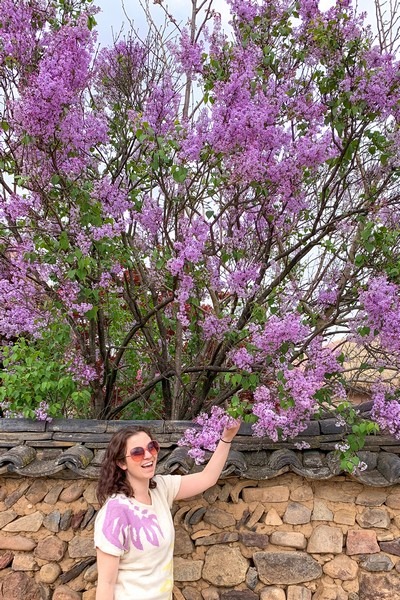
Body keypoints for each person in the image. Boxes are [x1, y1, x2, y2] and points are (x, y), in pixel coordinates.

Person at [94, 421, 241, 600]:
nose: (148, 455)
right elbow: (106, 584)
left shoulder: (160, 489)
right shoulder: (115, 512)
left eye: (152, 447)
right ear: (121, 463)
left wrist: (226, 439)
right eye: (137, 453)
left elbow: (207, 478)